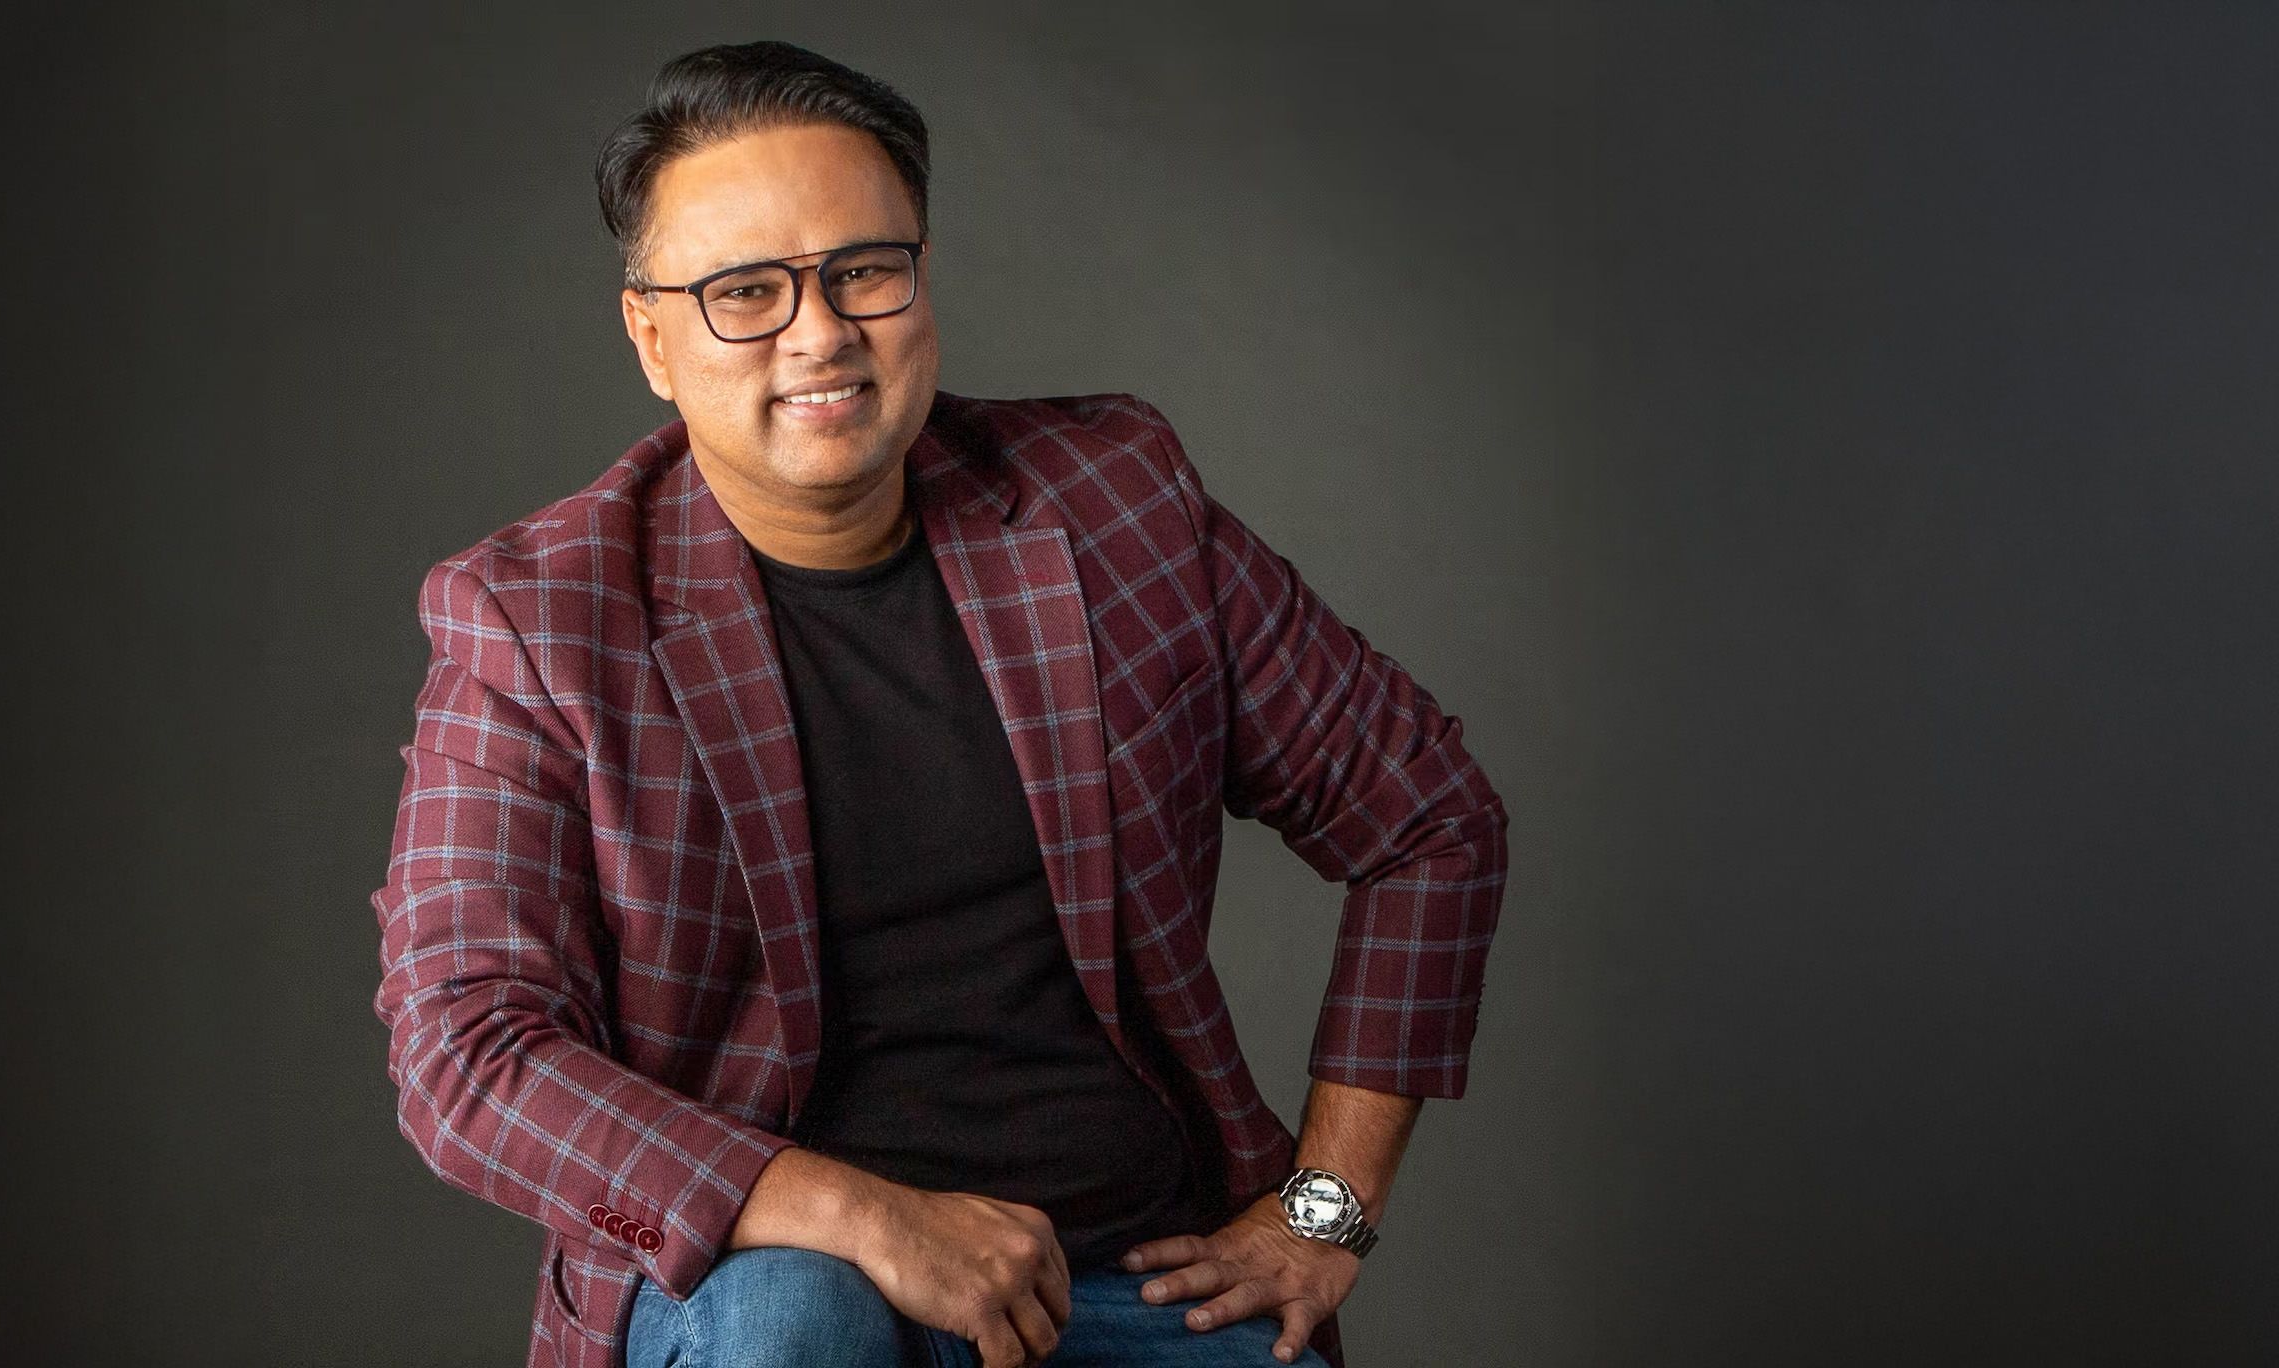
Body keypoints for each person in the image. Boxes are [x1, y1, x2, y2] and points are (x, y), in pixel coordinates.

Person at [369, 39, 1510, 1368]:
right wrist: (864, 1217)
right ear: (652, 338)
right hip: (767, 1296)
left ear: (921, 275)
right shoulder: (540, 617)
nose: (820, 333)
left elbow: (1430, 818)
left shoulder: (1115, 500)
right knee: (800, 1316)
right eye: (746, 292)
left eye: (863, 270)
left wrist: (1327, 1212)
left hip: (1131, 1285)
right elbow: (464, 1051)